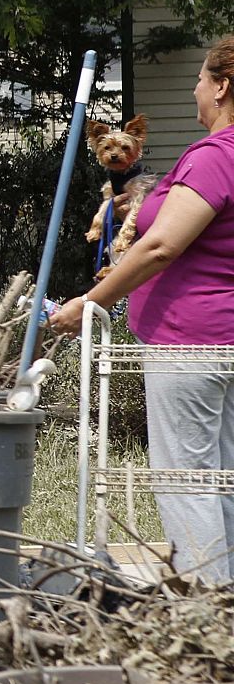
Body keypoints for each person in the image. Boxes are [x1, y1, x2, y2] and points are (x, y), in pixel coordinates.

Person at [52, 35, 234, 582]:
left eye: (200, 80)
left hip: (192, 344)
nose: (196, 90)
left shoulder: (214, 156)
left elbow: (160, 245)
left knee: (186, 476)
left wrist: (90, 301)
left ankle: (205, 610)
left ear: (222, 86)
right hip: (222, 341)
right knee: (221, 475)